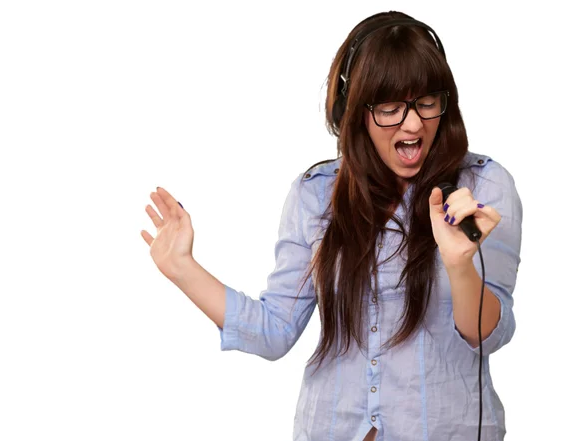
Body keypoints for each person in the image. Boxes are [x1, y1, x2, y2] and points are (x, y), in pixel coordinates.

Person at [140, 10, 522, 441]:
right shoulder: (316, 194)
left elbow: (489, 336)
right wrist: (181, 268)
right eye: (391, 107)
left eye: (427, 102)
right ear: (354, 111)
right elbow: (275, 330)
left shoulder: (482, 188)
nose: (413, 124)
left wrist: (459, 265)